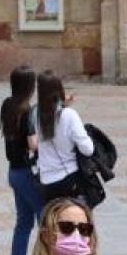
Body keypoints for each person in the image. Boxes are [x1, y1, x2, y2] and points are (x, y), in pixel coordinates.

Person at [2, 65, 43, 255]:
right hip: (27, 172)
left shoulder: (7, 105)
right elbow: (33, 144)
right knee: (44, 217)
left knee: (23, 221)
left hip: (13, 171)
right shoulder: (27, 111)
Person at [34, 70, 93, 204]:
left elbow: (52, 116)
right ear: (60, 89)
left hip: (46, 182)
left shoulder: (36, 115)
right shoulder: (69, 115)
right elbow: (88, 149)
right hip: (69, 179)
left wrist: (63, 104)